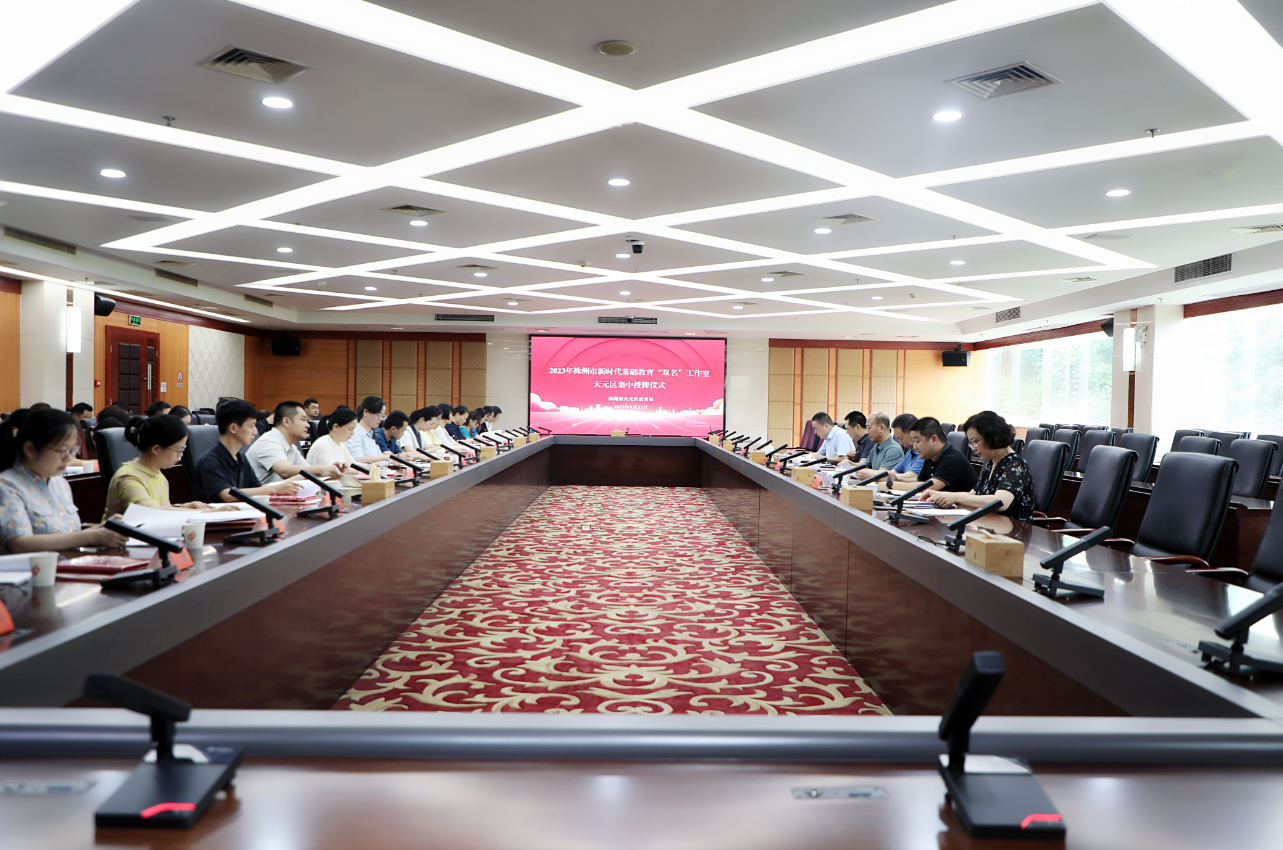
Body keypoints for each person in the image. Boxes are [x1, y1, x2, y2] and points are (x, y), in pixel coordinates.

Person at [0, 409, 129, 552]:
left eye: (72, 450)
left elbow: (65, 533)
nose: (69, 458)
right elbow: (18, 543)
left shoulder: (60, 483)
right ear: (30, 449)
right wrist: (92, 536)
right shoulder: (6, 485)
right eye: (62, 451)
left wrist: (101, 528)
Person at [922, 410, 1036, 520]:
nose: (973, 448)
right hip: (988, 525)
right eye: (971, 443)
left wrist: (955, 497)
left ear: (992, 436)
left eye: (975, 441)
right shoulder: (992, 464)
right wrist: (940, 495)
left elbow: (1000, 502)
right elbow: (972, 495)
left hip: (1011, 529)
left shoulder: (1015, 465)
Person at [103, 415, 214, 518]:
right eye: (179, 450)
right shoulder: (129, 478)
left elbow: (160, 510)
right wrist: (209, 513)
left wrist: (183, 507)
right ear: (156, 449)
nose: (181, 455)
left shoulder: (159, 475)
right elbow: (151, 512)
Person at [193, 400, 303, 503]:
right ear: (233, 428)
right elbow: (227, 495)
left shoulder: (241, 457)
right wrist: (274, 489)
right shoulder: (209, 461)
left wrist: (293, 481)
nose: (255, 432)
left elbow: (258, 489)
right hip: (218, 516)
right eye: (252, 426)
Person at [246, 401, 345, 485]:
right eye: (303, 420)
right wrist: (321, 469)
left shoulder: (291, 446)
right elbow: (284, 470)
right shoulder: (269, 441)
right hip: (256, 500)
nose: (308, 425)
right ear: (286, 421)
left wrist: (330, 470)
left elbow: (308, 472)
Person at [891, 416, 978, 493]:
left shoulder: (951, 459)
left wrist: (890, 485)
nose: (914, 446)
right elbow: (920, 481)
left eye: (917, 441)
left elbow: (929, 487)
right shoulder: (930, 457)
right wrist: (897, 479)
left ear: (933, 440)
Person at [346, 396, 389, 463]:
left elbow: (379, 456)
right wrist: (384, 457)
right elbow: (357, 459)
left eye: (382, 416)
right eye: (379, 414)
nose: (380, 419)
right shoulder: (354, 432)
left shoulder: (371, 433)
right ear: (366, 412)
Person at [886, 413, 925, 482]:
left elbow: (912, 475)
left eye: (901, 438)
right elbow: (894, 472)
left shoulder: (923, 453)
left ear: (912, 433)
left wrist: (889, 477)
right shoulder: (909, 451)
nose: (900, 443)